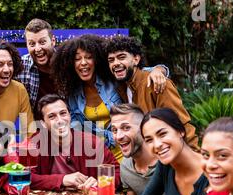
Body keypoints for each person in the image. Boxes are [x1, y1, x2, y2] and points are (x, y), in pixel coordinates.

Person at [52, 34, 168, 162]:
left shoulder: (113, 81)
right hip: (100, 157)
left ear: (96, 60)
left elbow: (136, 72)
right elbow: (78, 129)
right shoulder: (72, 94)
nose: (83, 62)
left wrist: (158, 70)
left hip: (129, 152)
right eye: (77, 59)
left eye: (89, 57)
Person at [105, 35, 199, 150]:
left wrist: (193, 158)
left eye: (121, 57)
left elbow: (181, 125)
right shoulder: (122, 88)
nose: (115, 63)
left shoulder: (157, 83)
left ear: (136, 59)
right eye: (111, 60)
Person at [30, 94, 120, 192]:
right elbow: (22, 176)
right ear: (43, 123)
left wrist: (100, 183)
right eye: (52, 116)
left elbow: (117, 172)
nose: (60, 120)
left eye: (63, 113)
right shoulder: (36, 143)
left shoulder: (92, 142)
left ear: (70, 115)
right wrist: (62, 179)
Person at [110, 103, 167, 195]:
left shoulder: (166, 159)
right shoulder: (125, 167)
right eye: (114, 130)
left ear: (143, 129)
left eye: (126, 128)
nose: (118, 136)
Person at [16, 18, 58, 106]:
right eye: (32, 44)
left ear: (53, 41)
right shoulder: (20, 66)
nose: (37, 49)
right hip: (32, 119)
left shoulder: (66, 63)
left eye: (42, 42)